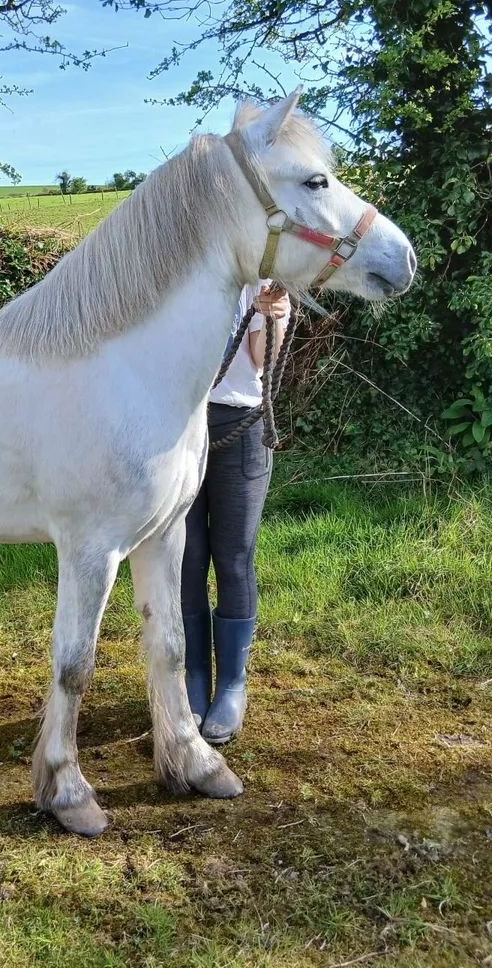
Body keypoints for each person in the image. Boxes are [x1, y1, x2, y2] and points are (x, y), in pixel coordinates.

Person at [182, 283, 291, 744]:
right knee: (185, 562)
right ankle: (191, 675)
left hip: (240, 425)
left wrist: (273, 317)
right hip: (177, 426)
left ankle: (231, 683)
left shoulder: (262, 281)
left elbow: (262, 361)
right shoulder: (176, 269)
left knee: (233, 558)